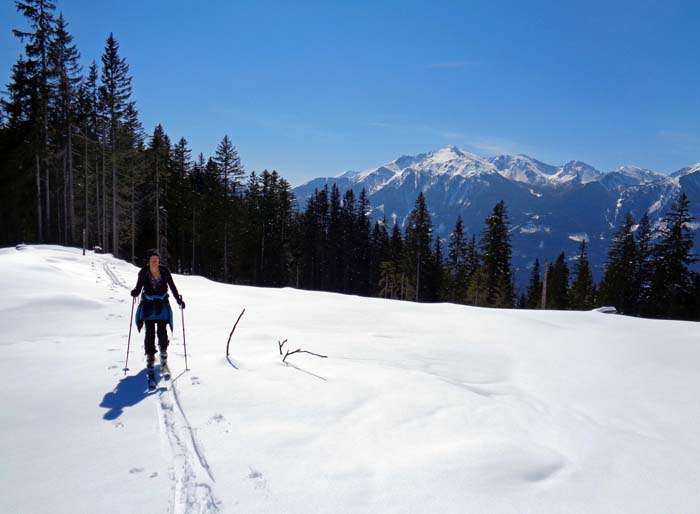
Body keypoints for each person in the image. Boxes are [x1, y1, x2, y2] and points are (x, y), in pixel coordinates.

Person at [130, 249, 185, 387]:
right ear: (148, 261)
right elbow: (138, 287)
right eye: (152, 259)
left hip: (161, 306)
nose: (154, 261)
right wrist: (135, 292)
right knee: (149, 333)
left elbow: (172, 286)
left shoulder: (165, 271)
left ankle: (163, 357)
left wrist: (178, 299)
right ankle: (150, 357)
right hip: (148, 306)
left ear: (158, 261)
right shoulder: (143, 272)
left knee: (162, 332)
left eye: (156, 259)